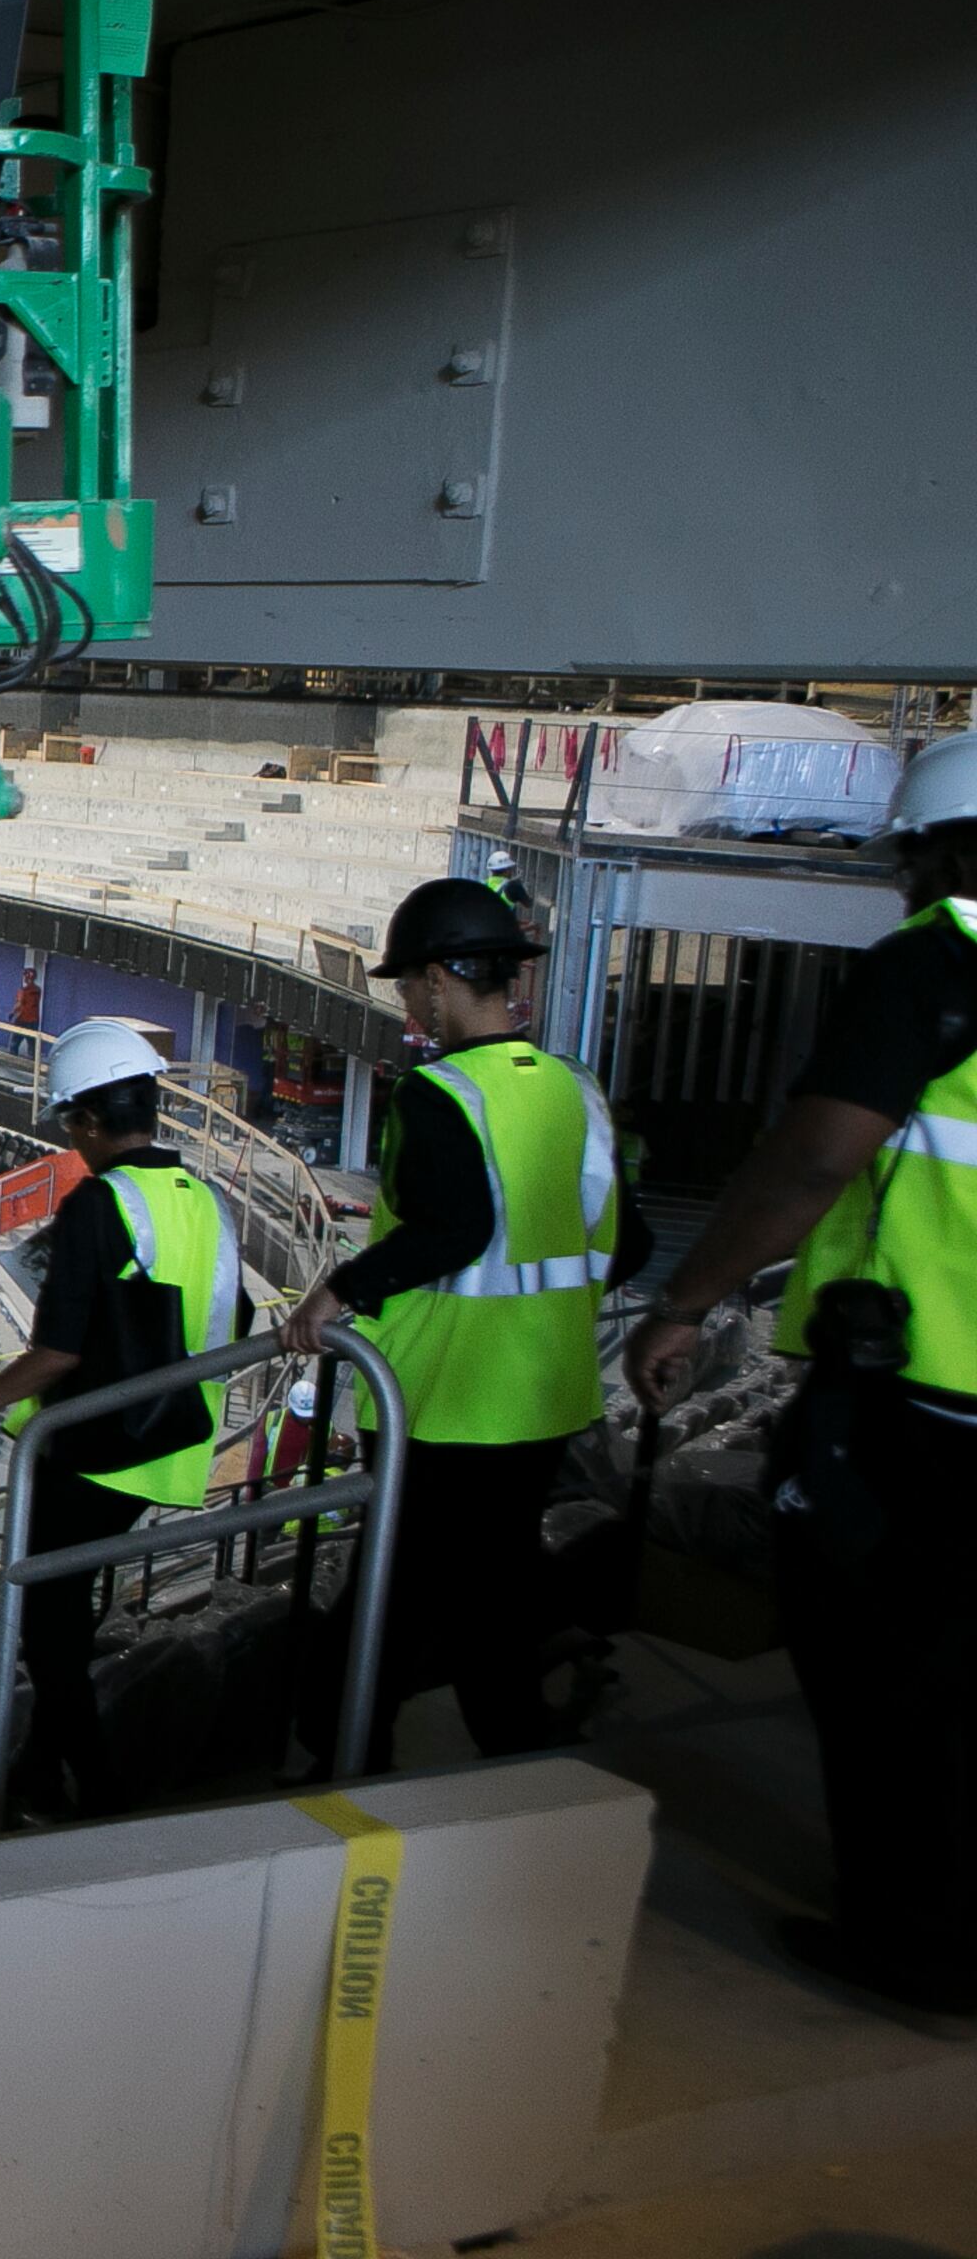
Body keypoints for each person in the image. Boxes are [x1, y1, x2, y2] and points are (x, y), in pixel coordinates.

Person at [624, 730, 977, 2013]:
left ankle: (916, 1944)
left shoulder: (937, 964)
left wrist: (687, 1300)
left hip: (925, 1400)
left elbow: (815, 1159)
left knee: (889, 1675)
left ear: (941, 848)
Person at [281, 876, 647, 1773]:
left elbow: (457, 1230)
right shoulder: (575, 1089)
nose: (409, 1004)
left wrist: (340, 1290)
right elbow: (628, 1245)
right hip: (548, 1393)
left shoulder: (437, 1096)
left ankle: (343, 1767)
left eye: (410, 986)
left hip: (444, 1403)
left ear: (443, 979)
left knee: (390, 1599)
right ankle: (510, 1755)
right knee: (489, 1597)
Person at [0, 1020, 246, 1816]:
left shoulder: (98, 1204)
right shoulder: (206, 1202)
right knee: (66, 1622)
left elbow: (56, 1354)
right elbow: (233, 1319)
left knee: (50, 1633)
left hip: (94, 1451)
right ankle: (41, 1772)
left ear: (83, 1121)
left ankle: (99, 1793)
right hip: (175, 1448)